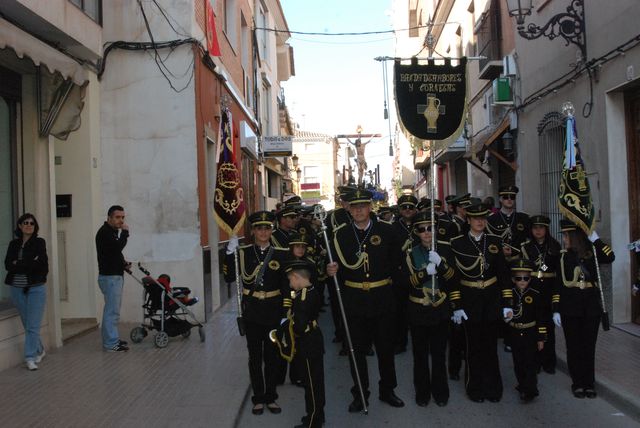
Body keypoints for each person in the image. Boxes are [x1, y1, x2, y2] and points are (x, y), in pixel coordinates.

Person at [326, 188, 405, 412]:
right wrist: (330, 270)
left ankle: (388, 389)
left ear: (370, 207)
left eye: (363, 206)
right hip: (354, 300)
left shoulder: (387, 231)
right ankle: (360, 393)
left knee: (385, 349)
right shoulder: (340, 235)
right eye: (354, 206)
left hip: (382, 298)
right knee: (356, 351)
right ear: (349, 209)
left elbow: (397, 262)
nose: (359, 210)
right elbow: (334, 267)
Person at [224, 211, 289, 415]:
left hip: (273, 310)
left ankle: (271, 397)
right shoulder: (242, 253)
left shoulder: (281, 253)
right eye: (259, 228)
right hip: (252, 311)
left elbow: (287, 286)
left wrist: (286, 312)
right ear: (252, 231)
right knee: (254, 356)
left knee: (272, 357)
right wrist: (228, 253)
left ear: (271, 230)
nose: (263, 232)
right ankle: (258, 398)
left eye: (267, 228)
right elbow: (229, 278)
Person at [448, 202, 513, 403]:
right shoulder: (457, 243)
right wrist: (456, 305)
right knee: (473, 348)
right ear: (468, 220)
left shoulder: (494, 240)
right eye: (476, 218)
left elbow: (503, 274)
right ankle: (474, 388)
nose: (480, 222)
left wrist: (507, 302)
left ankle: (494, 388)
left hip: (491, 299)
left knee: (490, 347)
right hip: (469, 300)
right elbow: (454, 278)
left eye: (483, 218)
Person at [552, 219, 615, 399]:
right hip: (570, 307)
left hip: (590, 307)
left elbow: (610, 257)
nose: (564, 239)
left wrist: (595, 238)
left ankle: (589, 383)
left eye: (566, 235)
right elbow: (558, 285)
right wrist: (556, 308)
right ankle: (577, 383)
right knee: (573, 347)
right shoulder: (563, 256)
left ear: (575, 236)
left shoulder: (593, 253)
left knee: (588, 347)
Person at [402, 211, 455, 407]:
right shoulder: (410, 253)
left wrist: (440, 264)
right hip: (418, 310)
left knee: (440, 354)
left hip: (440, 310)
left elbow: (453, 279)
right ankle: (422, 392)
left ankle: (441, 392)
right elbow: (404, 283)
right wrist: (426, 271)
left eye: (430, 228)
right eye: (422, 229)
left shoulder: (446, 250)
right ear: (416, 232)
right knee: (420, 355)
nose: (427, 233)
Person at [282, 259, 326, 428]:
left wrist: (286, 328)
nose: (290, 284)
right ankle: (317, 415)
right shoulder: (311, 290)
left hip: (307, 343)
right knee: (315, 381)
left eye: (290, 280)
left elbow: (299, 326)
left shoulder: (303, 297)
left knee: (312, 384)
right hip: (314, 339)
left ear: (296, 277)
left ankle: (313, 420)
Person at [4, 213, 48, 370]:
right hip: (16, 288)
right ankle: (40, 349)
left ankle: (30, 357)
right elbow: (8, 265)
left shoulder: (39, 242)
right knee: (27, 323)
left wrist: (19, 263)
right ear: (20, 226)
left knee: (33, 324)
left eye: (32, 223)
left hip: (36, 288)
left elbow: (42, 265)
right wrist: (29, 262)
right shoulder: (13, 244)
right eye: (25, 222)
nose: (29, 225)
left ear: (35, 227)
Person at [520, 215, 561, 374]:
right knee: (533, 326)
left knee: (548, 327)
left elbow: (557, 272)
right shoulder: (526, 247)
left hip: (548, 290)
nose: (538, 231)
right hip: (532, 289)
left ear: (546, 229)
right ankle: (534, 361)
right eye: (535, 228)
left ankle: (549, 362)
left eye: (541, 228)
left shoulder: (555, 246)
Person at [507, 259, 547, 402]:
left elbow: (541, 317)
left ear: (530, 279)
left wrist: (541, 337)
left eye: (525, 278)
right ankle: (522, 384)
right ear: (513, 279)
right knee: (518, 362)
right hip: (515, 332)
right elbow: (505, 316)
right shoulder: (510, 294)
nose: (522, 281)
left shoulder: (535, 294)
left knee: (530, 362)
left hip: (530, 332)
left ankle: (530, 389)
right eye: (519, 278)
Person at [95, 205, 130, 352]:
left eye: (122, 217)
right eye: (117, 217)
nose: (121, 221)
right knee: (112, 311)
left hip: (114, 276)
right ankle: (110, 344)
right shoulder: (105, 233)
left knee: (113, 310)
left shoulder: (112, 232)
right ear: (109, 218)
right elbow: (117, 247)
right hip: (110, 278)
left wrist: (123, 264)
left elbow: (114, 253)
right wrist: (125, 233)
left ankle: (113, 339)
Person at [392, 193, 419, 354]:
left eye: (411, 207)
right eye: (404, 207)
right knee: (399, 311)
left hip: (419, 272)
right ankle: (400, 342)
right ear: (400, 209)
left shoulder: (422, 225)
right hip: (400, 274)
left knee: (419, 310)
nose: (408, 210)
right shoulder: (393, 228)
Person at [487, 186, 530, 262]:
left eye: (512, 197)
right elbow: (488, 241)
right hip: (498, 261)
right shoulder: (491, 219)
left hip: (519, 262)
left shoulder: (523, 218)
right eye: (506, 197)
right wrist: (500, 250)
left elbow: (529, 240)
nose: (509, 199)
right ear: (500, 199)